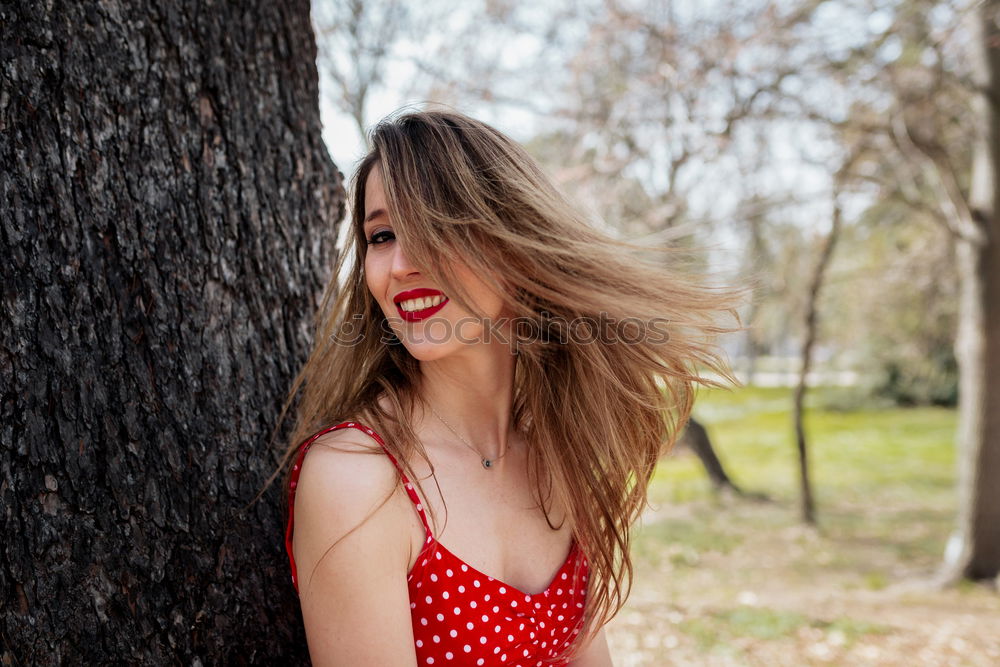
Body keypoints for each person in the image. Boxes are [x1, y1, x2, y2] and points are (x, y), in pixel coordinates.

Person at [275, 108, 748, 666]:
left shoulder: (558, 451)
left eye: (438, 227)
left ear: (513, 242)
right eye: (382, 235)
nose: (401, 263)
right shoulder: (358, 477)